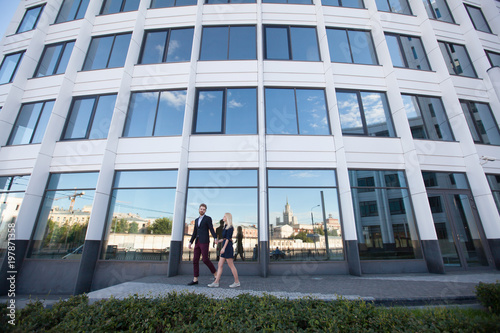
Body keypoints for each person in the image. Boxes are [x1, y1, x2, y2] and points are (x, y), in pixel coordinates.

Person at [187, 203, 218, 285]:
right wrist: (190, 242)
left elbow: (211, 228)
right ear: (199, 209)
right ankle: (195, 279)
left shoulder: (208, 218)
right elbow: (194, 232)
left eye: (204, 209)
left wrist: (215, 237)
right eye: (201, 209)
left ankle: (216, 274)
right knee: (195, 260)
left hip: (204, 241)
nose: (202, 210)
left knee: (205, 259)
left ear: (205, 211)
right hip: (197, 241)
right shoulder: (196, 220)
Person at [208, 213, 240, 288]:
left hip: (227, 247)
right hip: (225, 245)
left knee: (231, 265)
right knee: (220, 264)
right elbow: (225, 238)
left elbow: (228, 239)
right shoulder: (225, 226)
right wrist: (219, 241)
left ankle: (237, 282)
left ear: (227, 218)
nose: (223, 217)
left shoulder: (230, 227)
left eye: (224, 216)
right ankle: (216, 282)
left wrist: (223, 248)